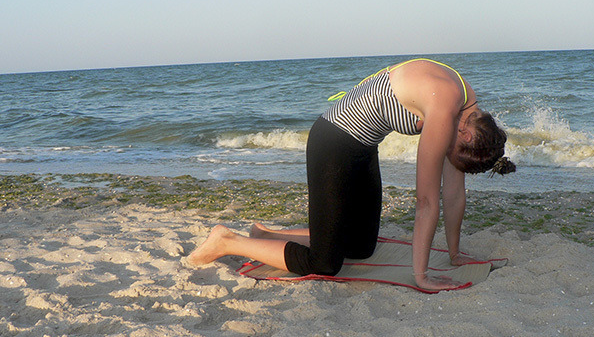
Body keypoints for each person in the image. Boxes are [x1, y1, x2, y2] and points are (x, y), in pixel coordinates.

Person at [188, 58, 515, 291]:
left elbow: (454, 193)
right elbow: (426, 202)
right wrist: (421, 276)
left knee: (360, 247)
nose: (446, 152)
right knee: (324, 263)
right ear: (466, 134)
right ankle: (227, 241)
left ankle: (266, 234)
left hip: (362, 147)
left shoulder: (465, 105)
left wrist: (455, 255)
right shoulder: (444, 107)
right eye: (451, 151)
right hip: (332, 142)